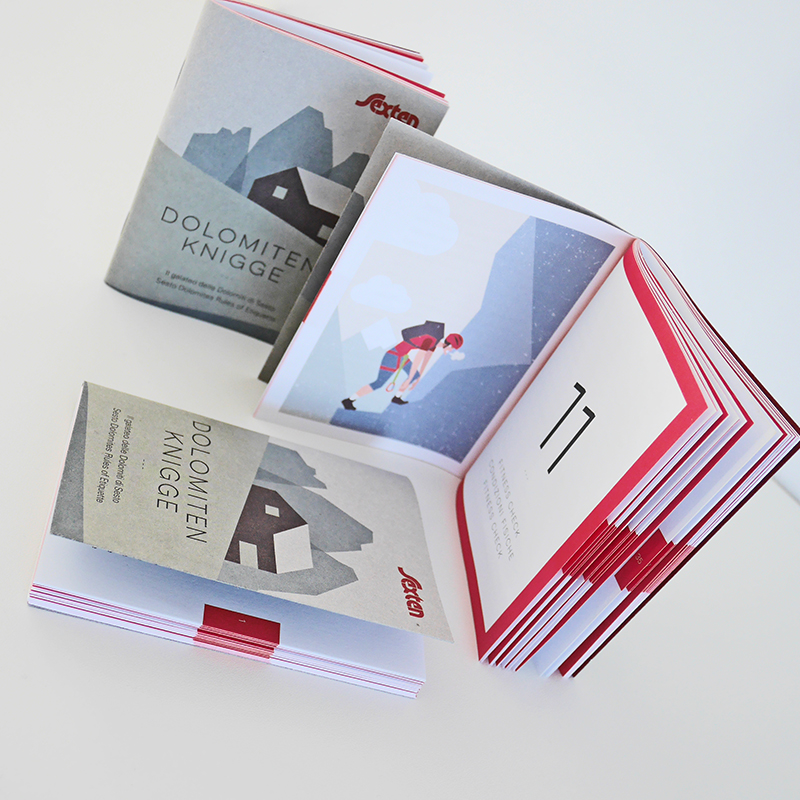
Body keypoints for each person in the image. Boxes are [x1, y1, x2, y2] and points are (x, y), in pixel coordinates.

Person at [341, 322, 463, 410]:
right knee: (379, 383)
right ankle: (349, 400)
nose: (452, 351)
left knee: (415, 375)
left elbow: (425, 361)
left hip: (402, 357)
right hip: (394, 356)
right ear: (449, 344)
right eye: (453, 348)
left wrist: (417, 377)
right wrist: (409, 379)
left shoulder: (434, 344)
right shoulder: (430, 340)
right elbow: (418, 358)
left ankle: (397, 397)